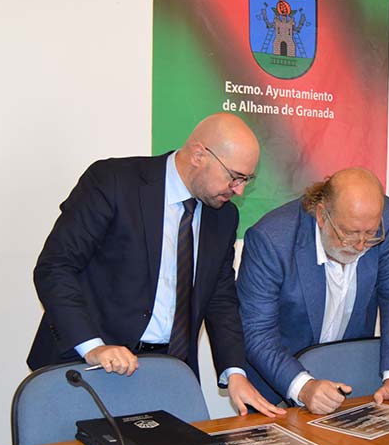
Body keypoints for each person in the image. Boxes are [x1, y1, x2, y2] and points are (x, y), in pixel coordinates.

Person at [27, 113, 285, 417]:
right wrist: (93, 346)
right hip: (87, 367)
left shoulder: (223, 216)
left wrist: (234, 372)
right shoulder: (114, 182)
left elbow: (220, 297)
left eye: (245, 180)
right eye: (234, 176)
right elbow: (55, 267)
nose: (238, 189)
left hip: (166, 372)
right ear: (199, 155)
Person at [237, 168, 389, 414]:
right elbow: (256, 331)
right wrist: (303, 387)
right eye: (349, 234)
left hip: (346, 384)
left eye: (370, 234)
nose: (361, 246)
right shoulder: (272, 240)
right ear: (322, 215)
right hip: (275, 386)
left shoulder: (388, 218)